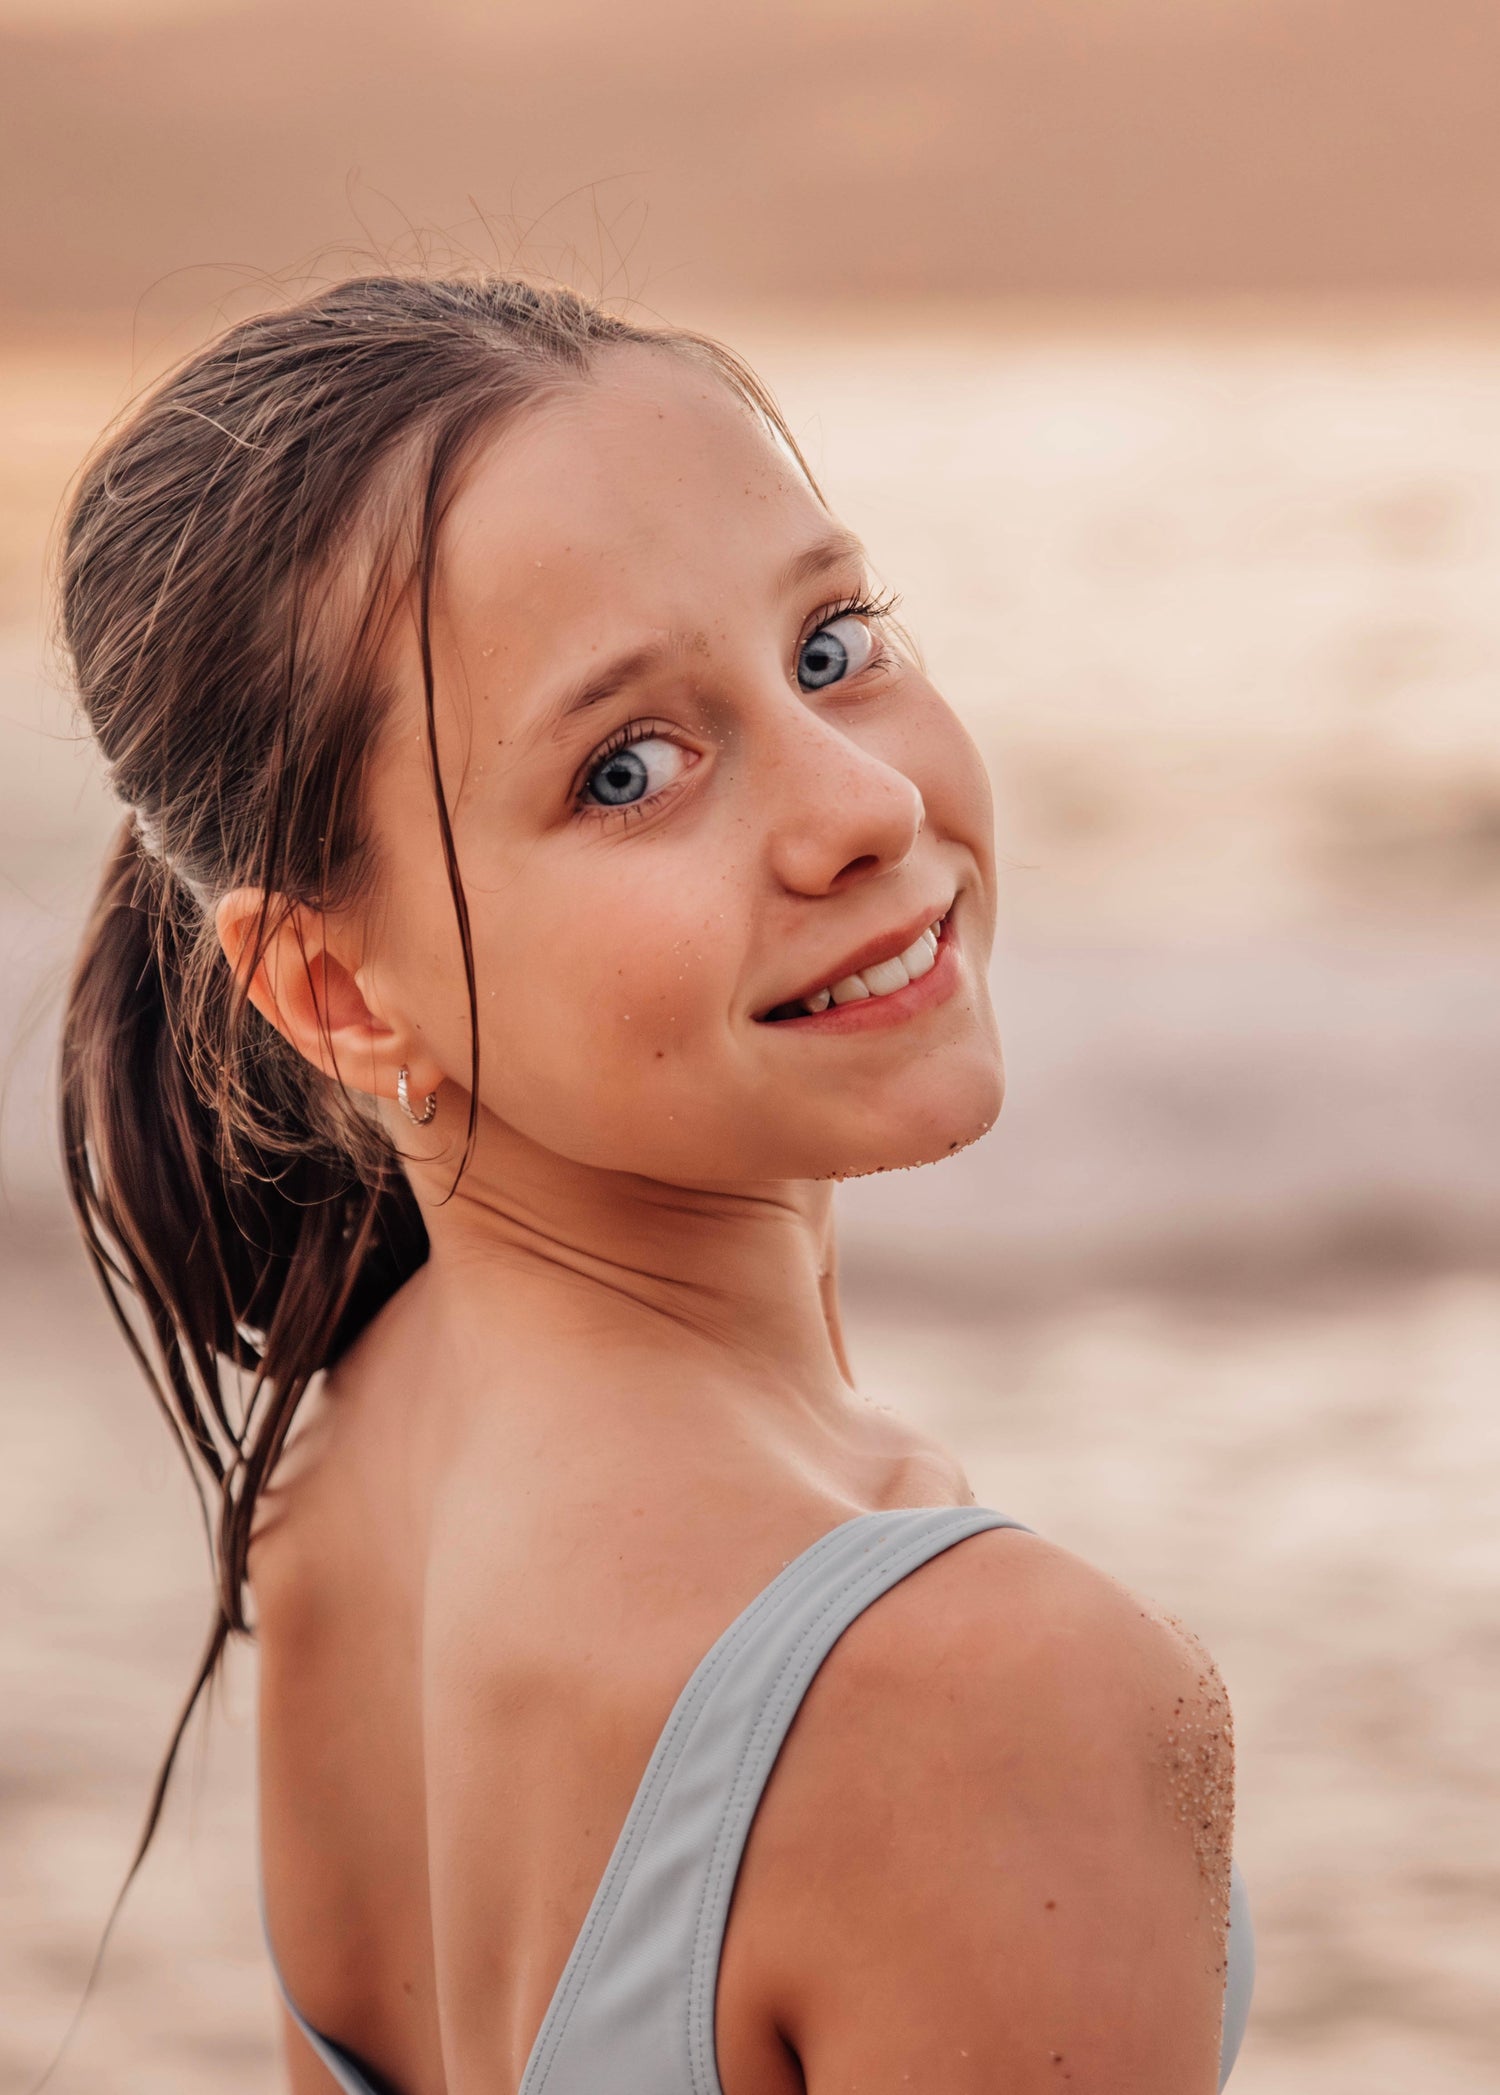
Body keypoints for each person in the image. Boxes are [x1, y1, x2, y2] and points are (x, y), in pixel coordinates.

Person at [57, 275, 1251, 2094]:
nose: (856, 801)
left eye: (832, 643)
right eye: (629, 768)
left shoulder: (343, 1485)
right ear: (331, 989)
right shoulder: (978, 1693)